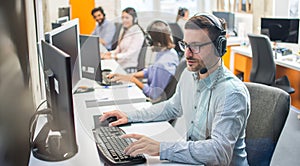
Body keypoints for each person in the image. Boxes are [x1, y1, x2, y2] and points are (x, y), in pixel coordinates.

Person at [100, 13, 250, 165]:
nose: (187, 54)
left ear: (218, 47)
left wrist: (161, 148)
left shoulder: (231, 93)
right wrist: (129, 116)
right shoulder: (189, 75)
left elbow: (219, 153)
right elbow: (171, 107)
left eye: (196, 46)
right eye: (185, 45)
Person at [107, 20, 179, 101]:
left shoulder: (162, 64)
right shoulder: (169, 52)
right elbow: (149, 71)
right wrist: (127, 76)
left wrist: (133, 80)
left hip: (156, 102)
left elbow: (153, 94)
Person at [101, 7, 144, 73]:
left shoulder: (137, 34)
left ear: (134, 19)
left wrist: (113, 56)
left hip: (128, 68)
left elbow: (129, 54)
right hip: (120, 65)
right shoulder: (125, 31)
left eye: (127, 18)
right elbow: (118, 49)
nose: (124, 20)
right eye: (122, 18)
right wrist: (108, 54)